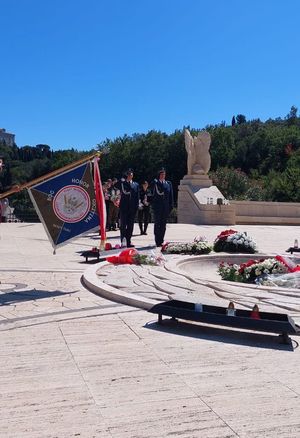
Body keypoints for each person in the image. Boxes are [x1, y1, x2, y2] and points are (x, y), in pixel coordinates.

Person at [115, 169, 139, 247]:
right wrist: (122, 178)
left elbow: (137, 197)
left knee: (130, 226)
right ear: (126, 176)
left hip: (132, 208)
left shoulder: (136, 185)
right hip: (124, 208)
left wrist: (136, 207)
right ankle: (123, 241)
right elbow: (116, 185)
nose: (130, 176)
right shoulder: (123, 183)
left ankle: (129, 241)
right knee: (123, 226)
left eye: (131, 175)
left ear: (132, 176)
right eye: (128, 175)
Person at [150, 168, 174, 247]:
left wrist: (171, 206)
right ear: (159, 175)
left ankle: (161, 240)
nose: (163, 176)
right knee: (157, 224)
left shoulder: (168, 184)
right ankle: (157, 241)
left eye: (164, 174)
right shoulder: (156, 183)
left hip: (165, 207)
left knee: (163, 225)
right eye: (161, 174)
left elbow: (171, 196)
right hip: (157, 207)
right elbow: (152, 189)